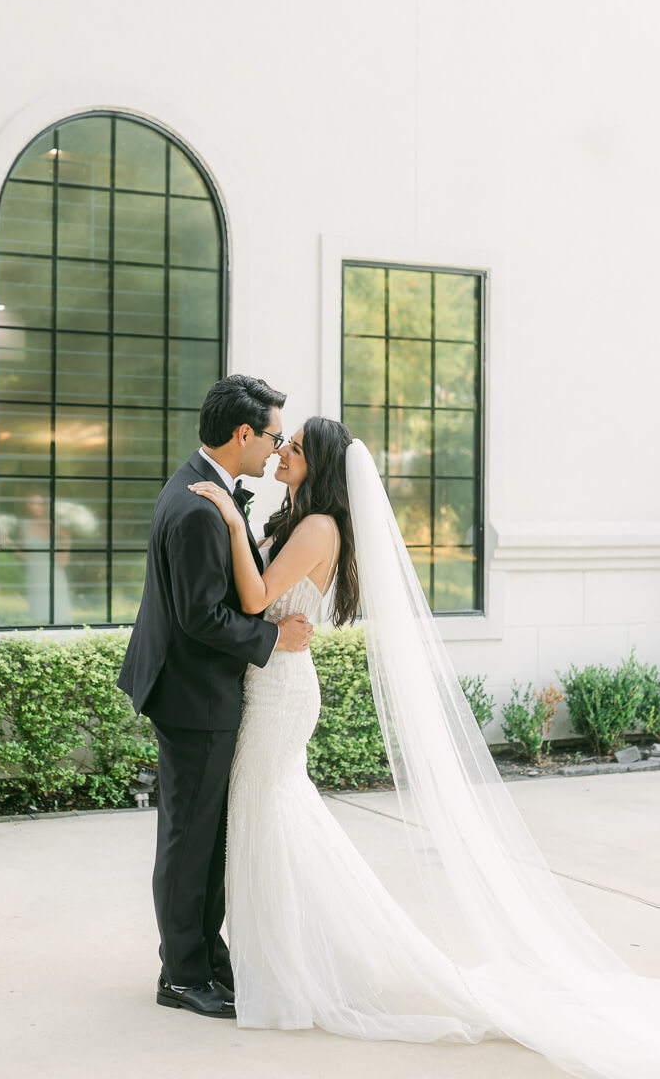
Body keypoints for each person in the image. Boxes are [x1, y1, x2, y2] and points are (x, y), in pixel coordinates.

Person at [189, 416, 660, 1079]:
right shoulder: (297, 521)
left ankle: (298, 970)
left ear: (320, 466)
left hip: (281, 693)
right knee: (273, 816)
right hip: (269, 684)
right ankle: (304, 959)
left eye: (295, 447)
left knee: (266, 814)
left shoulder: (319, 527)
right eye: (284, 442)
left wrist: (234, 529)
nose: (283, 450)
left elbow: (260, 595)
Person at [117, 375, 314, 1020]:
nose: (275, 449)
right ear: (243, 434)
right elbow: (201, 617)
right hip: (194, 696)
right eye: (273, 436)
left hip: (196, 691)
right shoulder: (200, 507)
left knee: (202, 835)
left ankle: (204, 956)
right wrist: (272, 636)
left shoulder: (201, 489)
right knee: (188, 838)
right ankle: (182, 974)